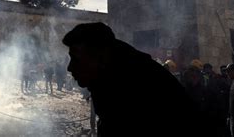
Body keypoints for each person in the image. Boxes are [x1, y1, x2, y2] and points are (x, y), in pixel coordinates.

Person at [62, 22, 202, 136]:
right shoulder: (110, 78)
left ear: (100, 56)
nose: (70, 67)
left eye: (76, 59)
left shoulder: (134, 87)